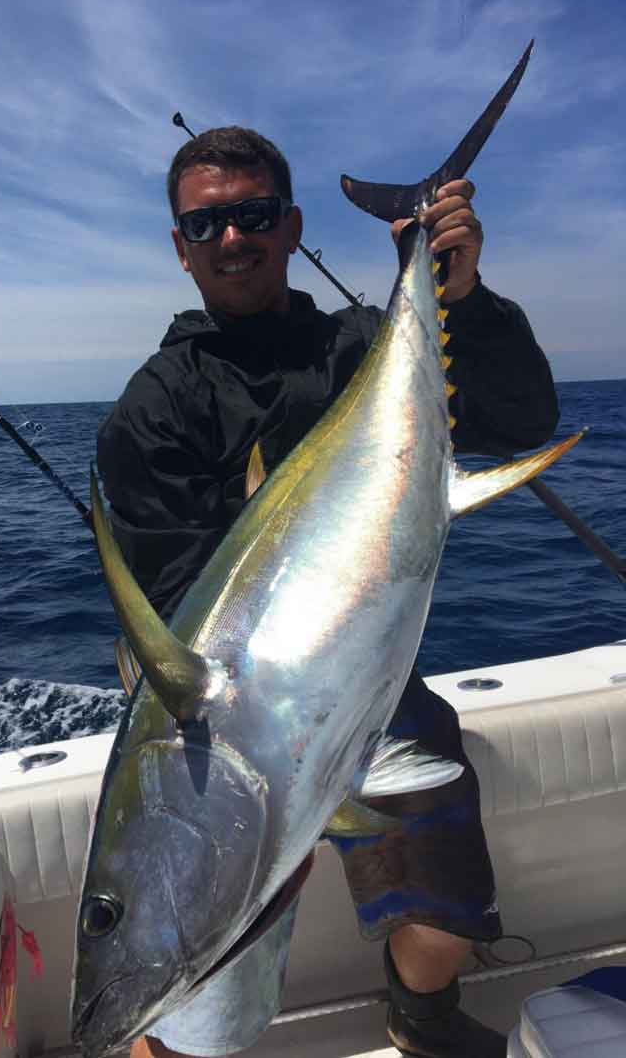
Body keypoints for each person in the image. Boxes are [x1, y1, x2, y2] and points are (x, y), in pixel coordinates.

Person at [96, 127, 559, 1058]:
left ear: (291, 225)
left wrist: (457, 298)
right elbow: (190, 606)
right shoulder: (154, 409)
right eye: (208, 222)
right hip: (220, 737)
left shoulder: (360, 346)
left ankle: (418, 1012)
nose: (234, 237)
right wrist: (290, 786)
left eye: (254, 215)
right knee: (198, 992)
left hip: (370, 693)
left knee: (444, 913)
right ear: (179, 244)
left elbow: (523, 420)